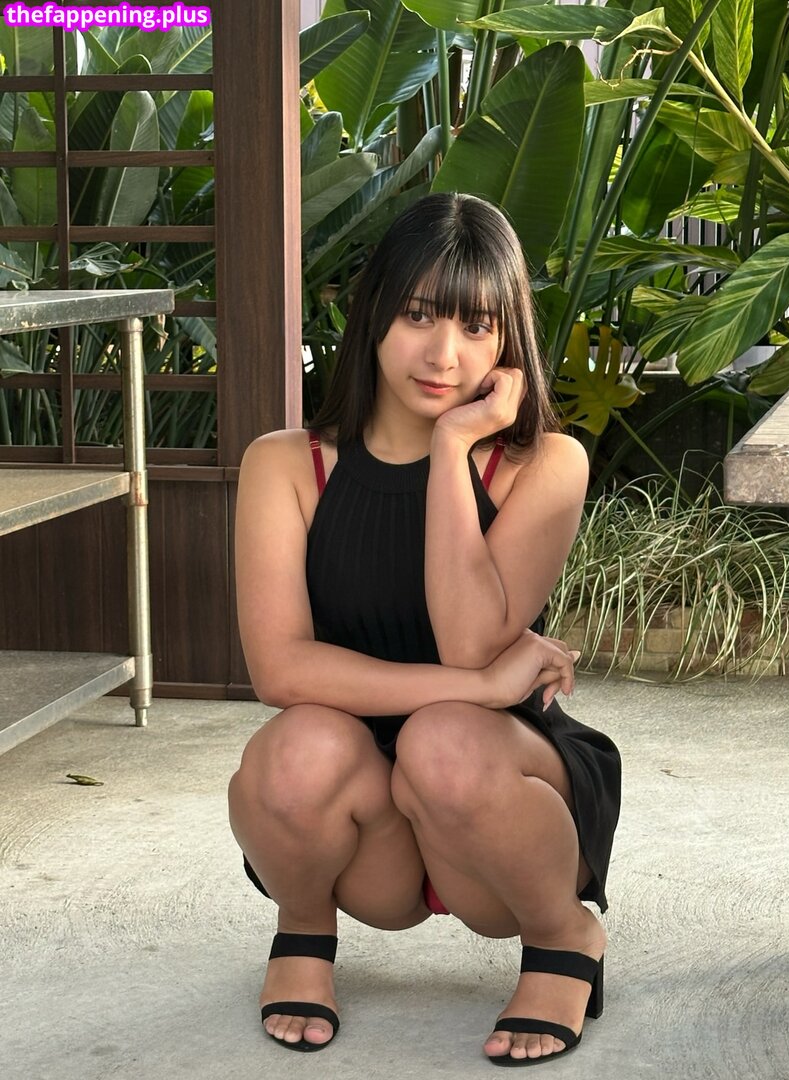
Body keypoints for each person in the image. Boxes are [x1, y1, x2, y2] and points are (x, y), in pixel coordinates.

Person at [229, 192, 621, 1067]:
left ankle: (562, 936)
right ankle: (303, 927)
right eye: (417, 316)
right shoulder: (287, 465)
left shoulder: (542, 464)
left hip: (494, 796)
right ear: (373, 315)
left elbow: (471, 639)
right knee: (293, 749)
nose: (445, 355)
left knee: (442, 738)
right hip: (359, 818)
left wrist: (451, 448)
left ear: (507, 341)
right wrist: (478, 685)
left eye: (476, 327)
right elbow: (280, 671)